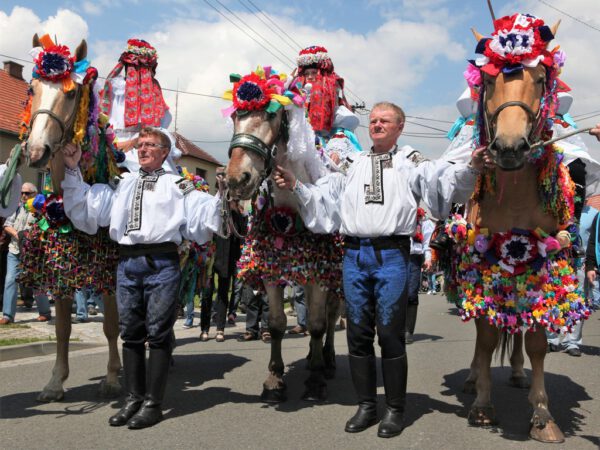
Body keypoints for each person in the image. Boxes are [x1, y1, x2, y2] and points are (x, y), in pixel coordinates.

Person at [274, 102, 487, 438]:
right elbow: (325, 196)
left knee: (389, 335)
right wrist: (295, 186)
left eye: (384, 120)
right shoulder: (352, 163)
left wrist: (472, 168)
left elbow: (442, 181)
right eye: (372, 120)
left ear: (399, 127)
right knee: (358, 336)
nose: (377, 125)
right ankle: (366, 406)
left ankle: (395, 409)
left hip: (392, 256)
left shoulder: (410, 160)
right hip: (354, 256)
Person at [61, 127, 222, 429]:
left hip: (162, 261)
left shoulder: (179, 184)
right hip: (128, 262)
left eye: (151, 145)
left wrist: (225, 195)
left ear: (165, 152)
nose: (144, 149)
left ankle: (153, 403)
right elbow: (91, 206)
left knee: (158, 334)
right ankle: (133, 399)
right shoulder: (122, 182)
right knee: (131, 332)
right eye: (141, 144)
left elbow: (204, 212)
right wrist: (71, 169)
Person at [0, 183, 51, 324]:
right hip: (15, 250)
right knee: (10, 280)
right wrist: (18, 235)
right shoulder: (16, 207)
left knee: (37, 282)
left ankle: (45, 312)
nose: (23, 195)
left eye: (27, 193)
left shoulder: (42, 209)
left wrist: (33, 234)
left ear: (35, 194)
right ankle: (7, 316)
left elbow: (47, 227)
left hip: (34, 252)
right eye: (22, 192)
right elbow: (7, 225)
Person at [406, 208, 434, 344]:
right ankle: (395, 329)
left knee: (411, 294)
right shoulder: (398, 211)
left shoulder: (423, 219)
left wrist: (428, 258)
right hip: (397, 255)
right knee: (395, 293)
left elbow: (427, 242)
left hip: (414, 259)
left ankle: (408, 331)